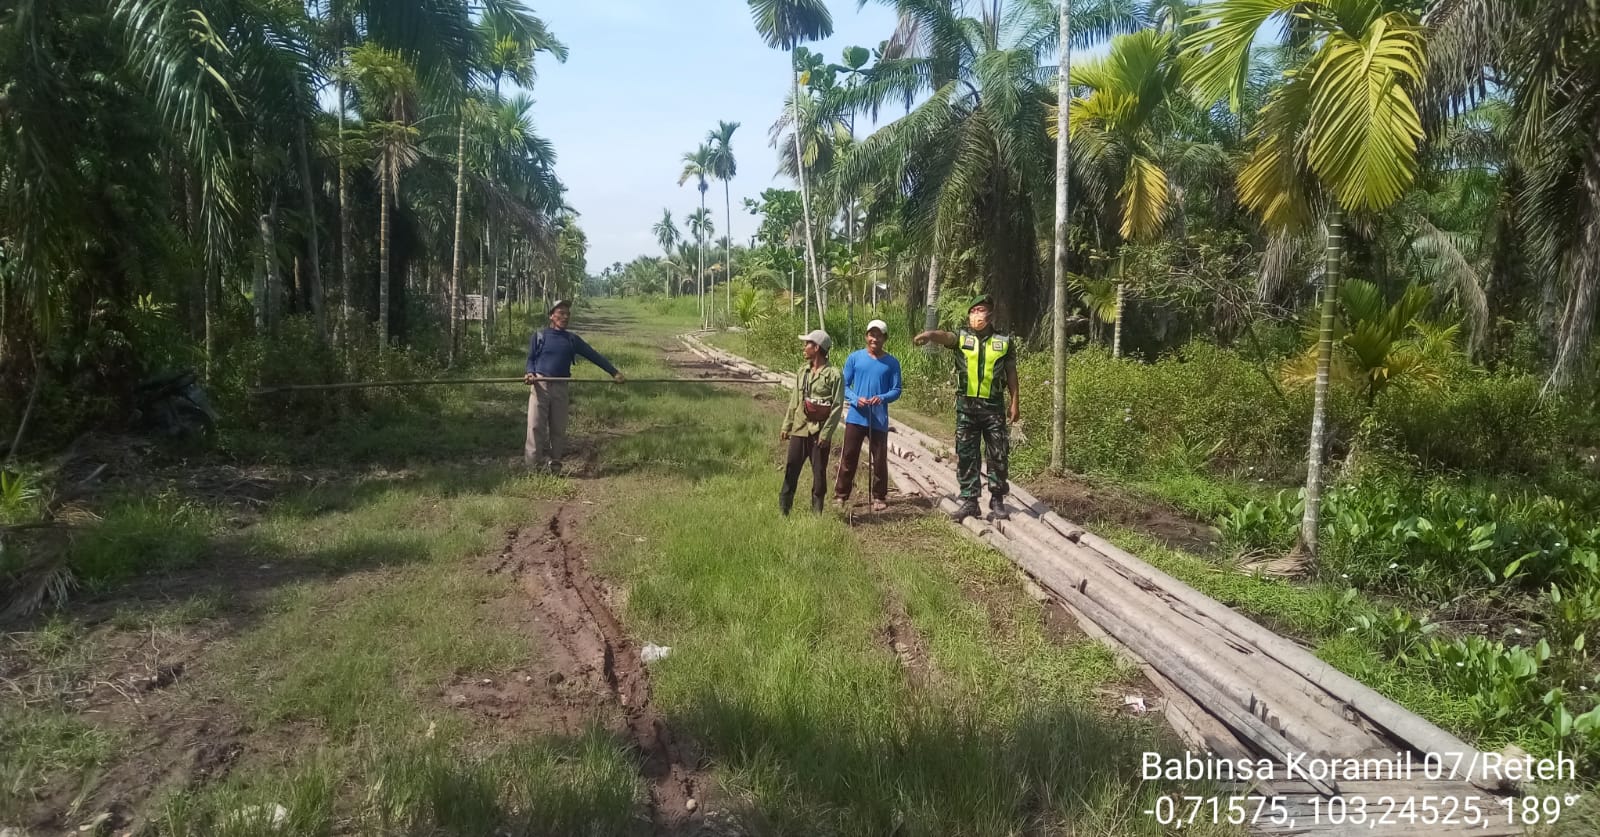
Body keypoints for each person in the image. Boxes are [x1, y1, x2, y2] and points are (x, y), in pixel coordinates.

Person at [912, 294, 1020, 522]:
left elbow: (1011, 372)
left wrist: (1014, 402)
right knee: (966, 454)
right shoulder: (962, 337)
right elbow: (945, 336)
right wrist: (930, 335)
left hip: (993, 409)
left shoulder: (1004, 341)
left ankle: (997, 500)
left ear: (989, 314)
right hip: (967, 409)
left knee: (998, 454)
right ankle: (970, 501)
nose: (976, 315)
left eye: (980, 310)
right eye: (973, 311)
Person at [523, 300, 625, 473]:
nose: (565, 317)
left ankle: (555, 465)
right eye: (561, 313)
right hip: (540, 386)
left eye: (568, 314)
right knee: (535, 427)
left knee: (558, 428)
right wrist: (530, 373)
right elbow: (531, 359)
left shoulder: (572, 339)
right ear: (551, 316)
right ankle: (532, 468)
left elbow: (594, 355)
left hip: (561, 386)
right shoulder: (539, 336)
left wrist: (614, 372)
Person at [834, 319, 902, 512]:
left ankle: (879, 496)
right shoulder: (854, 358)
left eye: (879, 335)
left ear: (885, 338)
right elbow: (844, 385)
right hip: (856, 416)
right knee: (848, 456)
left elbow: (896, 390)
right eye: (872, 335)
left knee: (879, 459)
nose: (875, 339)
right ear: (866, 336)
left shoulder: (891, 363)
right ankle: (841, 495)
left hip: (878, 419)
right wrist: (856, 399)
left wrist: (882, 398)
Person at [778, 329, 844, 515]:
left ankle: (817, 514)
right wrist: (787, 425)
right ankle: (784, 510)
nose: (804, 347)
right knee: (791, 469)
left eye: (807, 344)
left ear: (817, 348)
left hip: (819, 433)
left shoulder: (834, 375)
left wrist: (826, 434)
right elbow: (794, 401)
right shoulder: (803, 371)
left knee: (819, 473)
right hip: (799, 428)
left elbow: (837, 407)